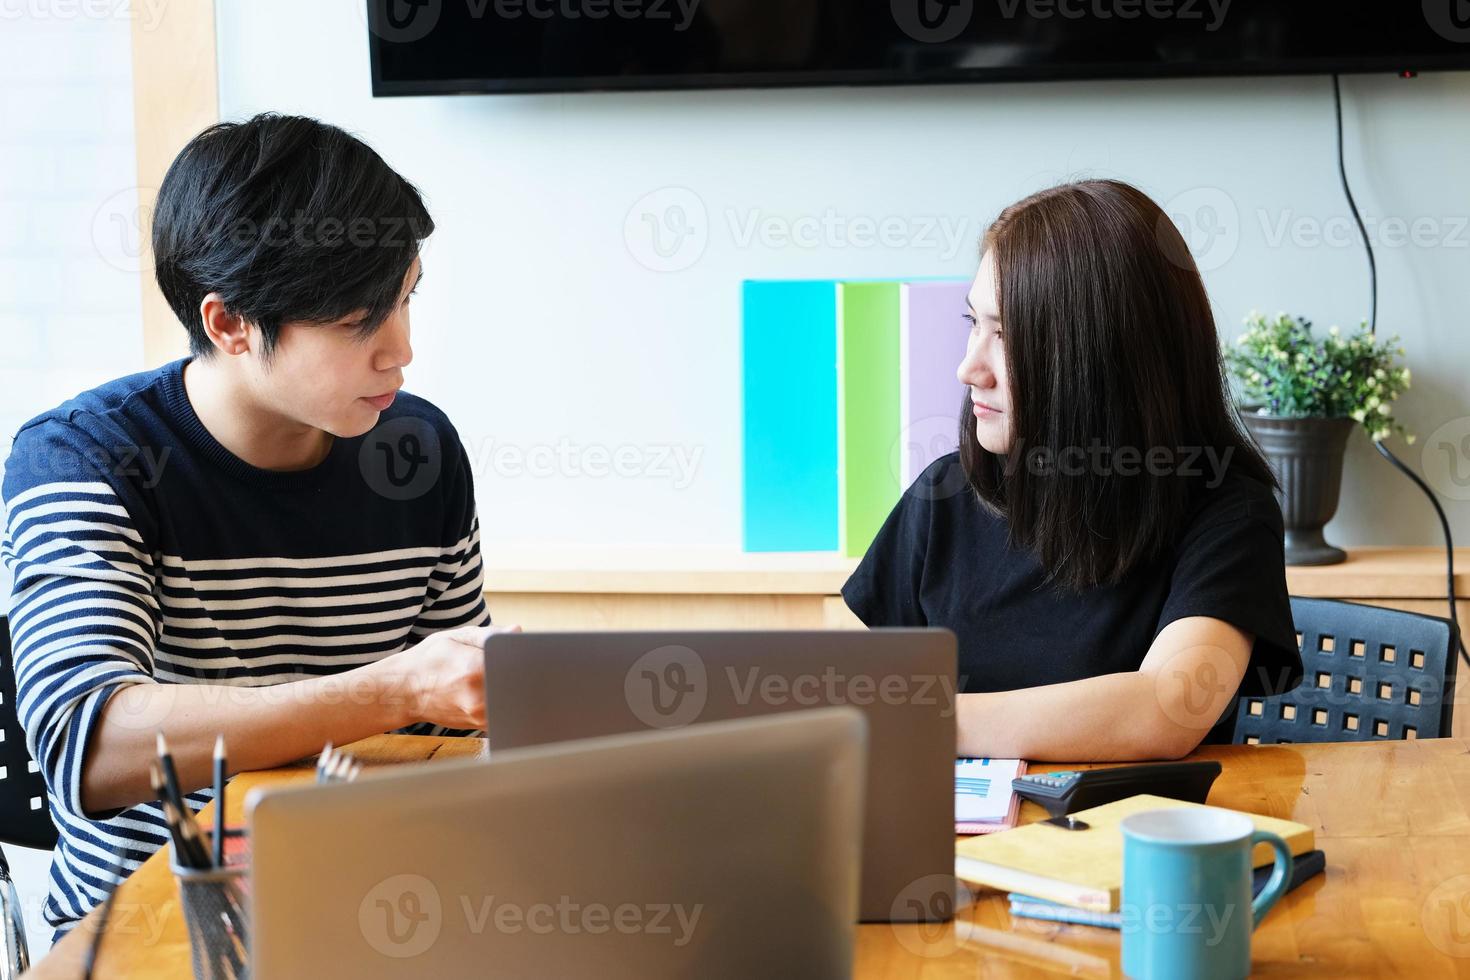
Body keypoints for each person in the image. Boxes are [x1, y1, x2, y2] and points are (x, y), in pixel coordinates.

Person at [1, 113, 516, 935]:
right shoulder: (85, 458)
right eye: (358, 320)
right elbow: (89, 750)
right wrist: (391, 689)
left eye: (407, 298)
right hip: (157, 922)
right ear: (230, 323)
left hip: (374, 902)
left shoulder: (417, 448)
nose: (402, 350)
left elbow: (451, 720)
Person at [843, 179, 1303, 761]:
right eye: (973, 323)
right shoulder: (944, 496)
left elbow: (1168, 707)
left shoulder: (1227, 513)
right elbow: (869, 696)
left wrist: (928, 721)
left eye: (1005, 335)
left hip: (1129, 845)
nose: (968, 368)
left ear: (1099, 358)